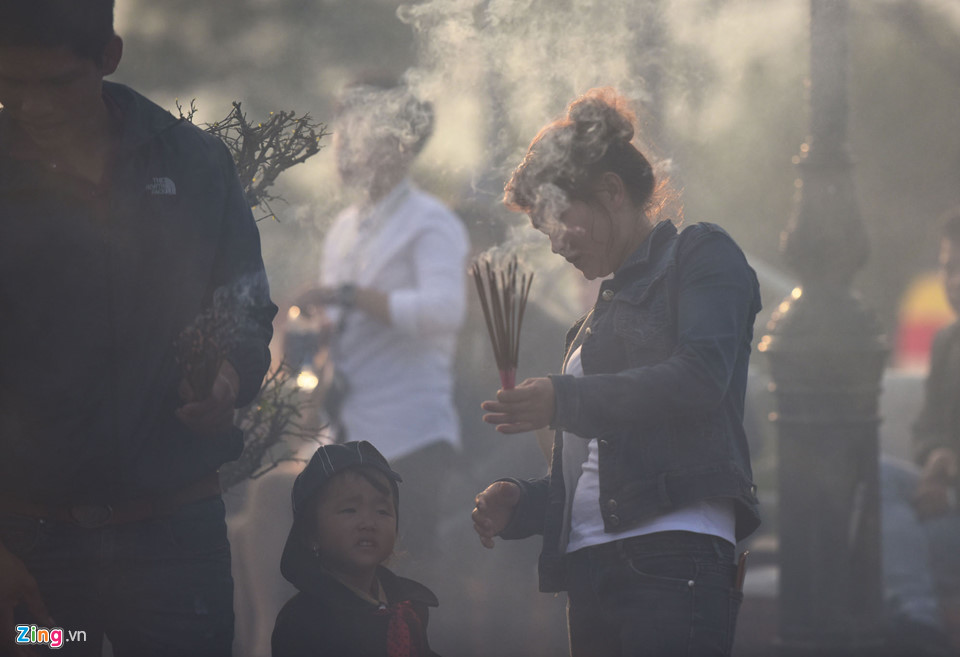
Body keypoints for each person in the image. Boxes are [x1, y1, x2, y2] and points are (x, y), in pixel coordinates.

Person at [0, 2, 277, 655]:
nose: (30, 106)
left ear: (109, 56)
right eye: (9, 85)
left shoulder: (191, 162)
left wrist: (231, 377)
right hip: (35, 556)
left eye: (56, 84)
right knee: (49, 647)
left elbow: (244, 300)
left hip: (175, 550)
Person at [470, 88, 762, 657]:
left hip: (674, 551)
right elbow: (595, 472)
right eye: (543, 231)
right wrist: (524, 503)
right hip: (591, 563)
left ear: (610, 191)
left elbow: (700, 378)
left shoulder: (699, 254)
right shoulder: (584, 327)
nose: (554, 245)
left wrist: (564, 400)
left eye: (559, 219)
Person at [296, 80, 468, 565]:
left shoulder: (431, 222)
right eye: (341, 127)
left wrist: (347, 296)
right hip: (344, 439)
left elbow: (444, 311)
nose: (341, 142)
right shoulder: (345, 228)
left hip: (408, 436)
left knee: (402, 588)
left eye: (357, 126)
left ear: (399, 141)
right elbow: (339, 330)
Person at [272, 440, 440, 657]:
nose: (368, 523)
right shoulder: (304, 621)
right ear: (310, 532)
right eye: (350, 510)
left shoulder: (407, 605)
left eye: (382, 511)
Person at [906, 207, 960, 650]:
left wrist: (951, 467)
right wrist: (936, 458)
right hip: (941, 489)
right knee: (875, 476)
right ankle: (916, 614)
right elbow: (924, 429)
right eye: (949, 268)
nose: (955, 282)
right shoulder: (946, 341)